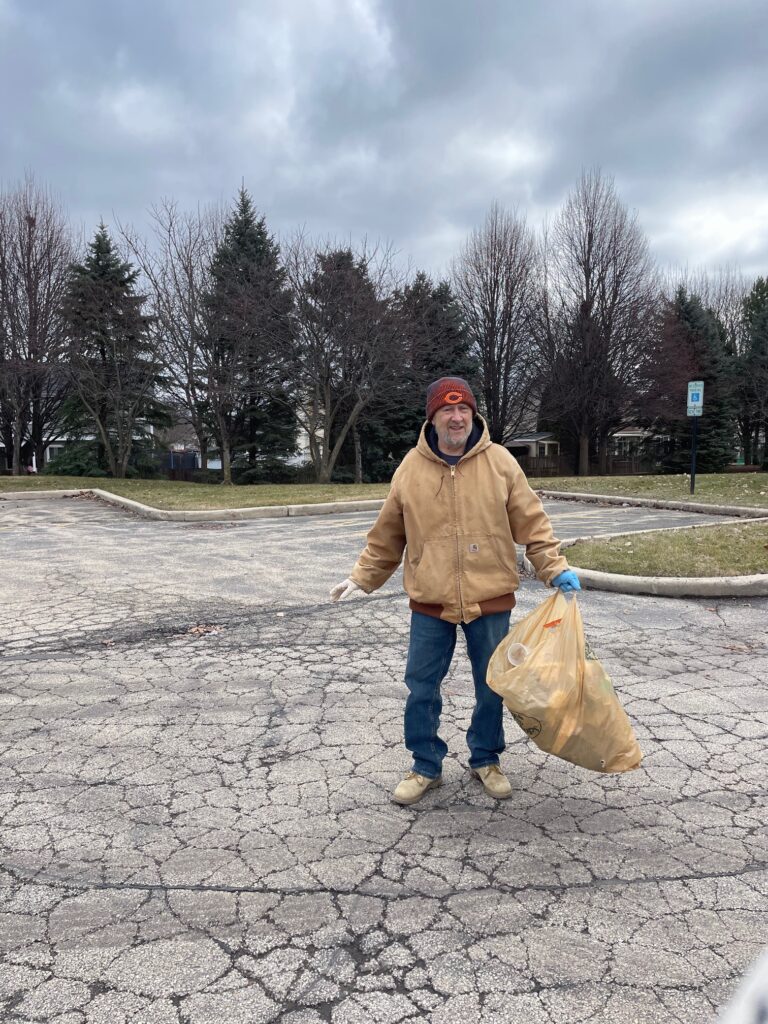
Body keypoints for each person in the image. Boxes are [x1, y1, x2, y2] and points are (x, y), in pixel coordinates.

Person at [330, 376, 581, 806]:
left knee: (493, 686)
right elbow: (387, 535)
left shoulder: (501, 463)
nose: (456, 416)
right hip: (430, 600)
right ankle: (425, 765)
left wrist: (554, 568)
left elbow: (533, 525)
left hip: (490, 597)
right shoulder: (410, 468)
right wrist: (362, 577)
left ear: (473, 414)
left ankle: (486, 759)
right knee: (422, 687)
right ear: (433, 417)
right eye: (447, 409)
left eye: (463, 408)